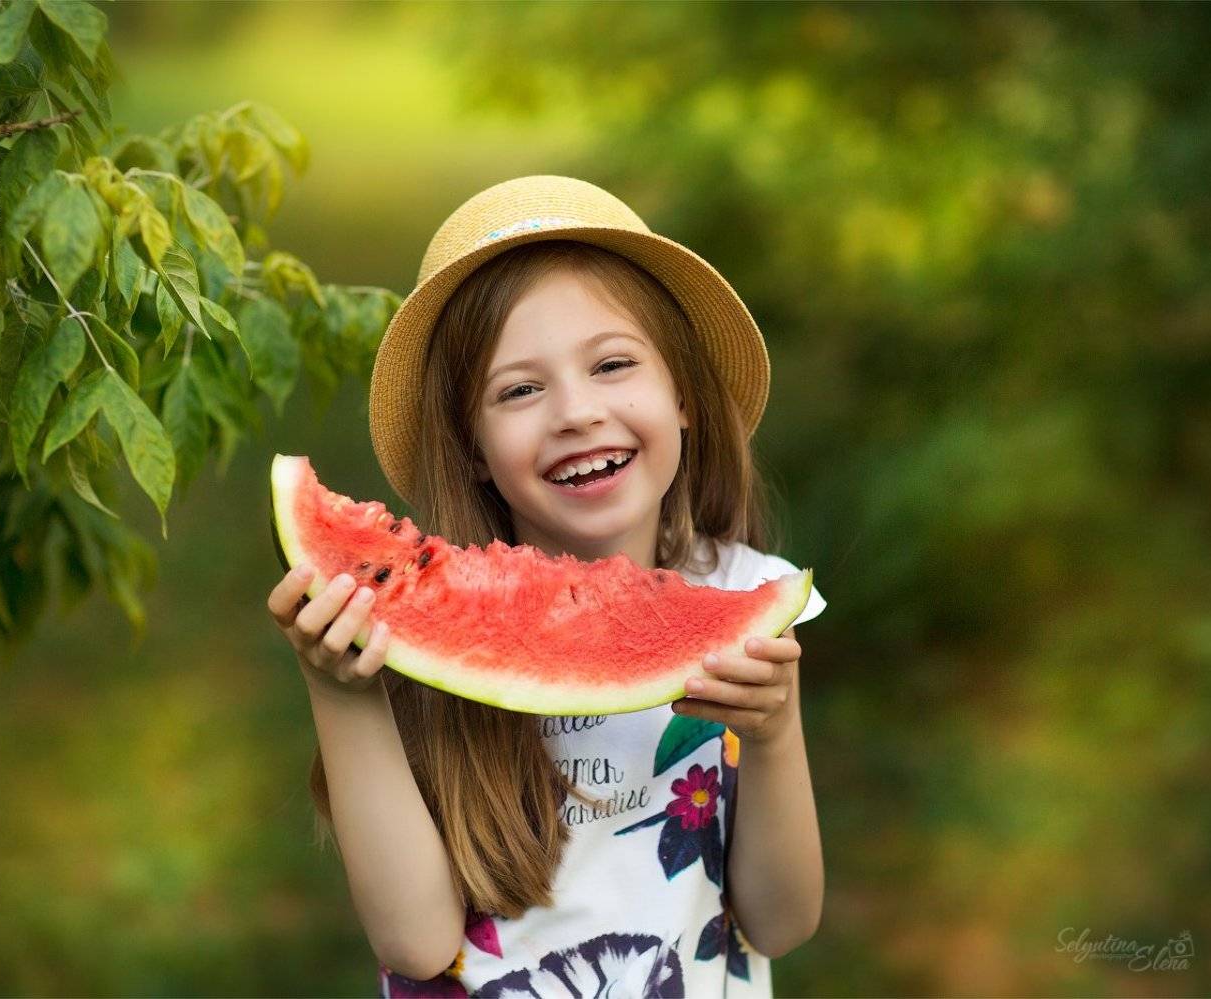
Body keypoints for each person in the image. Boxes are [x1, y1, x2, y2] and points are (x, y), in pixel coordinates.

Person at [266, 175, 827, 997]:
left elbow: (782, 920)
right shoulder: (411, 641)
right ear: (471, 449)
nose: (575, 411)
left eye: (611, 364)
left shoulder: (749, 600)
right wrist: (342, 691)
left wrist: (773, 738)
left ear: (684, 398)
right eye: (520, 389)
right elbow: (416, 942)